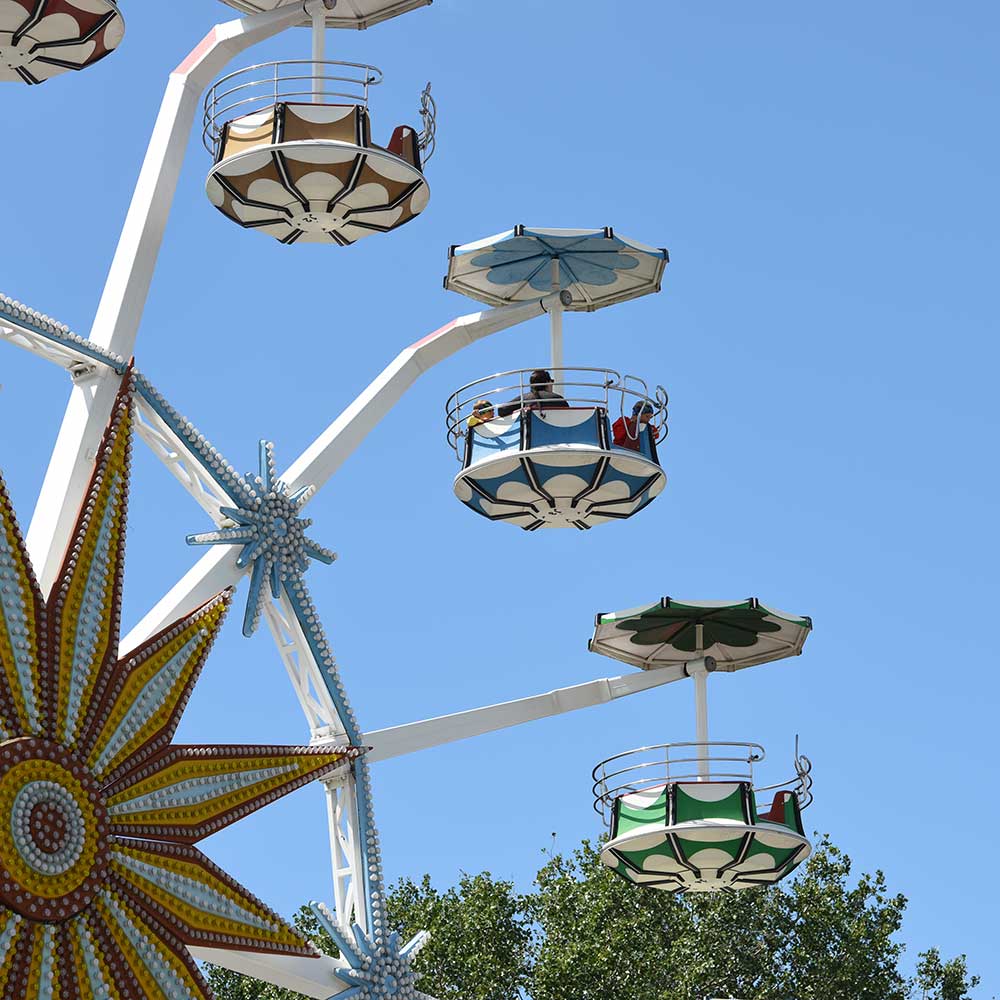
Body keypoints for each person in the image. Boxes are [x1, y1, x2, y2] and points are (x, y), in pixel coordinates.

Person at [497, 369, 570, 417]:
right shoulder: (557, 399)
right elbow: (569, 416)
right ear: (547, 382)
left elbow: (502, 410)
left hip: (529, 433)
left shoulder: (524, 398)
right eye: (552, 382)